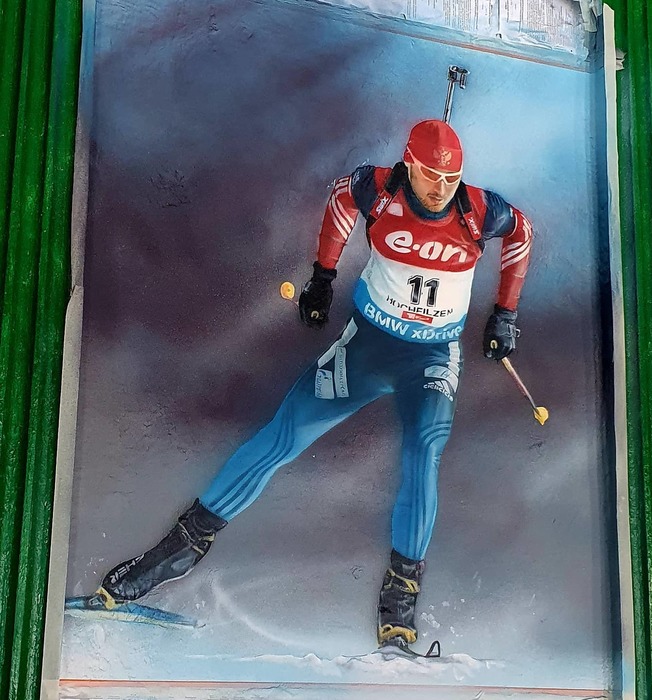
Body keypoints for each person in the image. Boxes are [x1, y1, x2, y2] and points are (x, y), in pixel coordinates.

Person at [91, 120, 533, 651]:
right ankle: (176, 552)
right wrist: (323, 276)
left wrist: (505, 312)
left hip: (431, 359)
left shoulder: (480, 210)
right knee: (285, 433)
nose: (442, 188)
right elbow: (341, 202)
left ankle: (400, 602)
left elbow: (521, 234)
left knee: (424, 454)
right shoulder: (377, 187)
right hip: (368, 349)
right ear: (409, 164)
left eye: (452, 178)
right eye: (431, 175)